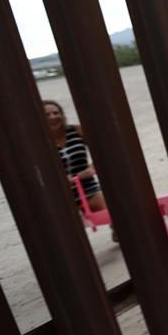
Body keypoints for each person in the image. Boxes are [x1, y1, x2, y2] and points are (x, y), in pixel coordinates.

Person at [44, 100, 116, 241]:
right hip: (59, 192)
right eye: (47, 114)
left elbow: (101, 150)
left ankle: (118, 233)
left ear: (62, 115)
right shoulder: (38, 140)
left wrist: (92, 168)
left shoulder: (76, 130)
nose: (53, 117)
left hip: (86, 184)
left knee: (111, 214)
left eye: (56, 113)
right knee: (67, 230)